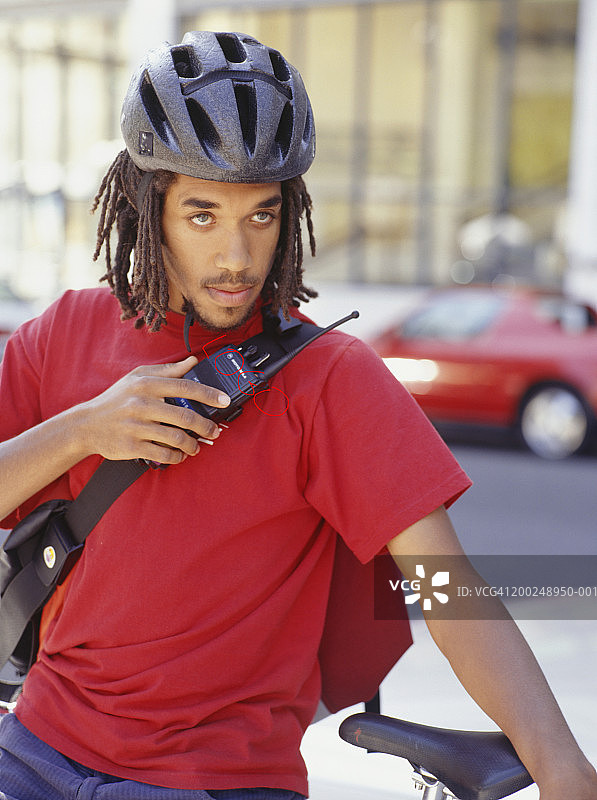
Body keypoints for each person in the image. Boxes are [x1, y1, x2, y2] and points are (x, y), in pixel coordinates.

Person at [0, 30, 595, 800]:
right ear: (150, 206)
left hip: (209, 782)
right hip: (33, 748)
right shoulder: (65, 332)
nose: (237, 257)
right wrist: (83, 428)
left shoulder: (331, 379)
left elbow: (449, 590)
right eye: (203, 215)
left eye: (262, 214)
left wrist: (562, 768)